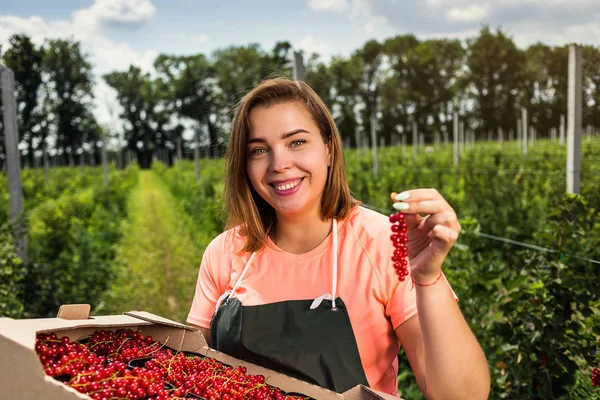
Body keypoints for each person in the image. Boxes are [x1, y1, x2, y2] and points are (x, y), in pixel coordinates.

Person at [187, 77, 490, 399]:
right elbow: (193, 371)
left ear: (329, 149)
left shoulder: (383, 242)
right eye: (259, 150)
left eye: (297, 142)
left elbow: (461, 396)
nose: (279, 164)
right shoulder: (225, 251)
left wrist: (428, 278)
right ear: (244, 165)